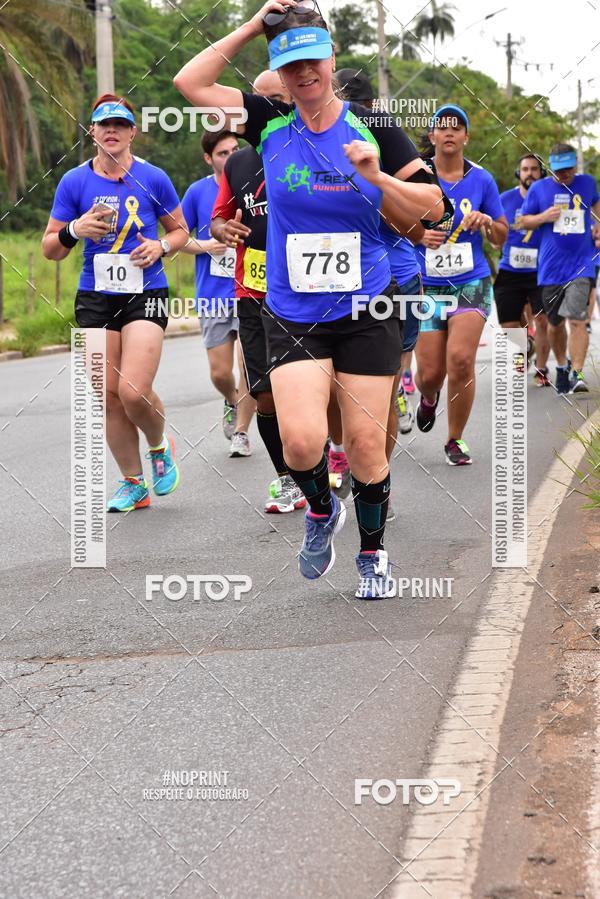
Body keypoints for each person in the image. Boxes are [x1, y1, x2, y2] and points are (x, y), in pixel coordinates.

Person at [174, 0, 446, 598]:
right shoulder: (267, 121)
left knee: (366, 444)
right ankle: (322, 509)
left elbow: (434, 210)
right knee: (300, 443)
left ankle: (373, 555)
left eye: (312, 62)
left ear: (331, 58)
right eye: (290, 66)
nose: (304, 75)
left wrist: (377, 177)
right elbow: (189, 82)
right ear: (280, 72)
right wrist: (254, 25)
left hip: (367, 307)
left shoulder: (374, 127)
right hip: (295, 310)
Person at [42, 94, 189, 512]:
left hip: (146, 291)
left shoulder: (154, 177)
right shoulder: (74, 182)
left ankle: (158, 446)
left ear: (132, 132)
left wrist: (160, 246)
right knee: (107, 395)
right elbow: (50, 249)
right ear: (92, 132)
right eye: (104, 124)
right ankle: (133, 483)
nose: (112, 130)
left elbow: (180, 230)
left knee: (132, 390)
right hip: (95, 295)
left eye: (120, 124)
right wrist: (75, 230)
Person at [210, 70, 306, 512]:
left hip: (307, 292)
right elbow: (219, 217)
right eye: (259, 100)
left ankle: (331, 458)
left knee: (310, 387)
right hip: (254, 291)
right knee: (264, 392)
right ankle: (287, 479)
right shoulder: (238, 162)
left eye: (278, 100)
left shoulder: (312, 147)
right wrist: (223, 228)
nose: (269, 109)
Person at [414, 104, 508, 465]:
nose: (450, 132)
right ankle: (428, 397)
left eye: (457, 127)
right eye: (443, 126)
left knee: (462, 360)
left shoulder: (482, 180)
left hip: (471, 281)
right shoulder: (417, 174)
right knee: (430, 374)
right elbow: (393, 222)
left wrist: (486, 222)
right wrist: (419, 235)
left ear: (466, 137)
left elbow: (501, 235)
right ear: (433, 136)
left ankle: (455, 439)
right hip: (427, 285)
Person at [181, 129, 256, 455]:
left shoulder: (252, 183)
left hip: (250, 290)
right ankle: (231, 399)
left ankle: (241, 431)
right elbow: (177, 238)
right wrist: (206, 245)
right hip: (213, 295)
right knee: (220, 372)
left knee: (249, 366)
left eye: (234, 150)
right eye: (222, 153)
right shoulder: (197, 192)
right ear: (208, 158)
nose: (230, 157)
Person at [520, 142, 600, 394]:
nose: (563, 174)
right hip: (551, 268)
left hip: (581, 265)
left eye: (567, 169)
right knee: (554, 324)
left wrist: (598, 228)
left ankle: (577, 373)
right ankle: (562, 366)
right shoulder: (539, 189)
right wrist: (543, 217)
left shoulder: (587, 183)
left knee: (577, 319)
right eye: (558, 170)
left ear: (575, 165)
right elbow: (522, 221)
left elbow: (597, 210)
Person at [494, 154, 550, 387]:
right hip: (510, 269)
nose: (529, 173)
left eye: (534, 169)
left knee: (543, 321)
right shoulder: (505, 199)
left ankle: (542, 370)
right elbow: (495, 228)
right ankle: (525, 346)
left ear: (541, 173)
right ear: (519, 173)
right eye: (525, 169)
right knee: (508, 325)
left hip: (541, 269)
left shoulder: (549, 199)